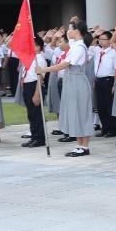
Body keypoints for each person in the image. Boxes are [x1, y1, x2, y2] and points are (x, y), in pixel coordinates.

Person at [39, 22, 96, 157]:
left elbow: (64, 64)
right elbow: (66, 42)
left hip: (77, 81)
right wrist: (57, 36)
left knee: (81, 114)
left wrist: (44, 70)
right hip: (71, 81)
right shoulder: (75, 44)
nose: (67, 32)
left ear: (77, 31)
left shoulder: (79, 47)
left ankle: (84, 146)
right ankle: (79, 145)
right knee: (75, 113)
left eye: (70, 29)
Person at [16, 36, 48, 148]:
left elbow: (40, 78)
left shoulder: (40, 59)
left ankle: (40, 138)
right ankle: (34, 136)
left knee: (37, 114)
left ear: (38, 47)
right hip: (27, 86)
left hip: (35, 86)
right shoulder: (30, 58)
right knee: (31, 114)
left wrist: (37, 94)